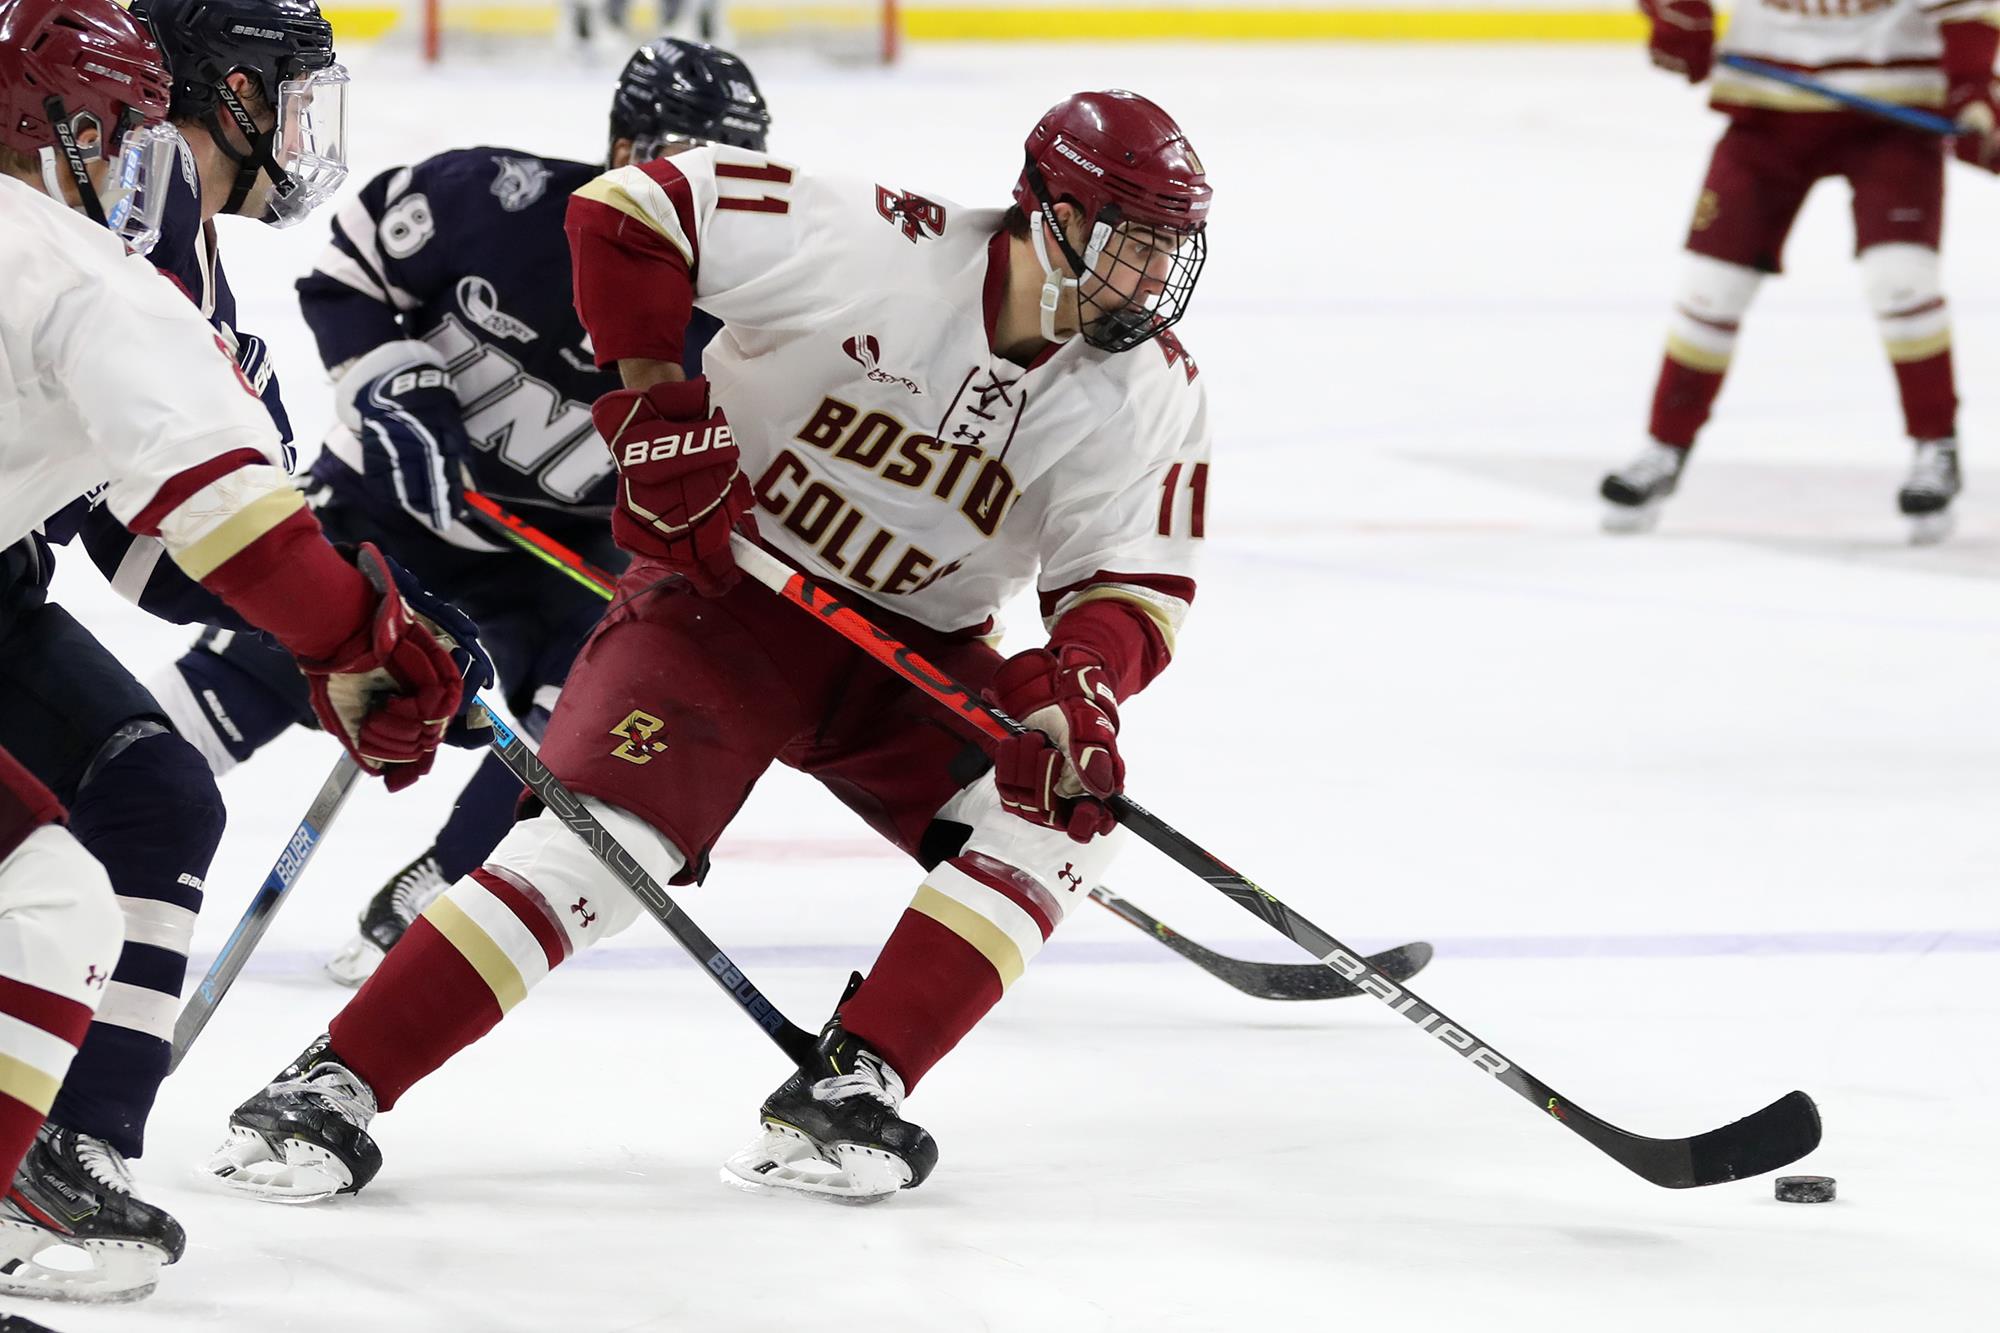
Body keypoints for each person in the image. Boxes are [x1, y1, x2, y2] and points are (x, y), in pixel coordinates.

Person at [206, 88, 1212, 1206]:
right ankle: (331, 1084)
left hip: (908, 653)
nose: (1148, 280)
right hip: (718, 606)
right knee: (601, 844)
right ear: (1047, 211)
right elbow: (632, 206)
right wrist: (655, 405)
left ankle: (849, 1087)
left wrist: (1076, 694)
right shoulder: (880, 243)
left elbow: (1129, 580)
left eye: (1170, 250)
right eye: (1128, 243)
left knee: (1063, 818)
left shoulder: (1152, 391)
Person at [0, 0, 473, 1297]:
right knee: (42, 899)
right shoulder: (102, 255)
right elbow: (197, 525)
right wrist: (351, 634)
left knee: (149, 797)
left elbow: (149, 540)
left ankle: (63, 1162)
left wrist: (329, 633)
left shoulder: (142, 242)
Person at [148, 38, 772, 987]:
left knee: (572, 731)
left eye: (724, 181)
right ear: (618, 144)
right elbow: (350, 272)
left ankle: (441, 889)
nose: (693, 207)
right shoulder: (496, 203)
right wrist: (396, 387)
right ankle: (62, 815)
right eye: (673, 168)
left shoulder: (755, 329)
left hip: (556, 564)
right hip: (380, 509)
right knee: (250, 673)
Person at [1601, 0, 2000, 541]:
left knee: (1900, 279)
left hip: (1891, 116)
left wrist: (1973, 91)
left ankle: (1936, 445)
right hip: (1766, 115)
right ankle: (1664, 445)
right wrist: (1679, 19)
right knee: (1711, 289)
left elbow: (1966, 9)